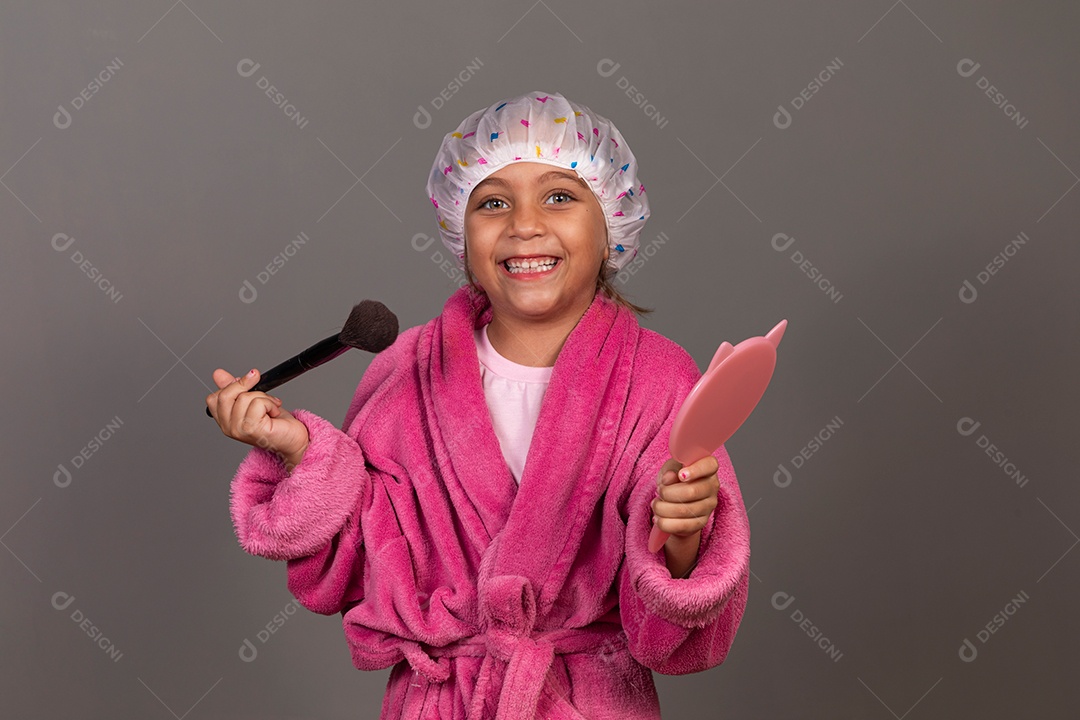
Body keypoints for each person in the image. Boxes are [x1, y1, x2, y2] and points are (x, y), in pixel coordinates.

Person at [207, 90, 750, 718]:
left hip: (589, 700)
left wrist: (681, 535)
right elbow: (354, 567)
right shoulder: (406, 373)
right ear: (459, 235)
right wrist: (299, 451)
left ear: (612, 230)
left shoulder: (657, 381)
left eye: (560, 196)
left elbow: (678, 625)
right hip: (440, 702)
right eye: (493, 203)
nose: (524, 224)